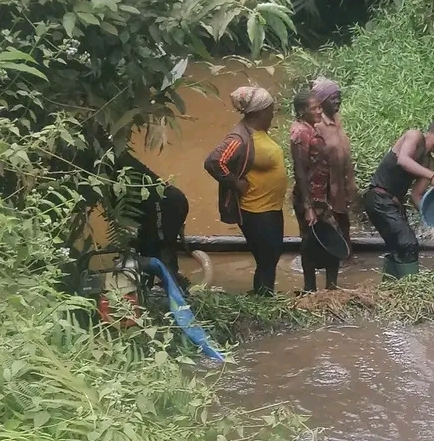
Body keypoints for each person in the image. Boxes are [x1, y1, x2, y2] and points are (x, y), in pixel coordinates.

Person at [204, 86, 286, 295]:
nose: (272, 113)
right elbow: (214, 161)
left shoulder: (256, 133)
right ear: (260, 112)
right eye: (270, 109)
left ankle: (262, 294)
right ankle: (264, 298)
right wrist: (235, 182)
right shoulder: (239, 138)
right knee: (268, 257)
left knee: (269, 257)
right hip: (256, 211)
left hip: (269, 209)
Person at [362, 119, 434, 278]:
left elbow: (416, 196)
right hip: (378, 197)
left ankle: (390, 289)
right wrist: (433, 176)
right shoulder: (415, 136)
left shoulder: (429, 162)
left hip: (392, 204)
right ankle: (410, 289)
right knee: (408, 243)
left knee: (398, 247)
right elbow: (403, 160)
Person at [117, 152, 189, 286]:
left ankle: (176, 291)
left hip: (166, 205)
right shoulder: (114, 152)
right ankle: (147, 287)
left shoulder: (113, 157)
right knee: (146, 245)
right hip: (154, 209)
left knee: (161, 247)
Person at [289, 88, 334, 293]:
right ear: (301, 112)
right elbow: (300, 171)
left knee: (327, 239)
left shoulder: (311, 128)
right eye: (314, 108)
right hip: (309, 200)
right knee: (310, 242)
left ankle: (330, 288)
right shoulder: (300, 134)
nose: (319, 111)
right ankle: (310, 289)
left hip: (321, 198)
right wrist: (308, 206)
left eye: (319, 107)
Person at [311, 77, 357, 250]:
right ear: (322, 102)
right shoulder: (317, 124)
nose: (337, 100)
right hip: (326, 186)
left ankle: (346, 257)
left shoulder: (336, 118)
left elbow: (344, 152)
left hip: (341, 181)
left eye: (339, 96)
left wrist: (351, 182)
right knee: (331, 225)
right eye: (332, 97)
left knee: (344, 223)